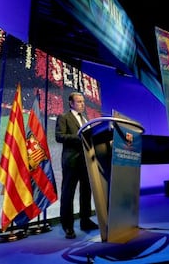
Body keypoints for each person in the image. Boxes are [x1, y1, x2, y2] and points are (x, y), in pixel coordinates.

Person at [55, 91, 98, 239]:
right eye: (79, 101)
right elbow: (59, 136)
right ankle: (68, 226)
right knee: (68, 194)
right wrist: (80, 137)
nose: (82, 104)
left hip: (86, 161)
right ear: (71, 103)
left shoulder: (85, 119)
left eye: (83, 101)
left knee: (86, 192)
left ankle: (85, 221)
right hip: (71, 161)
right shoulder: (64, 117)